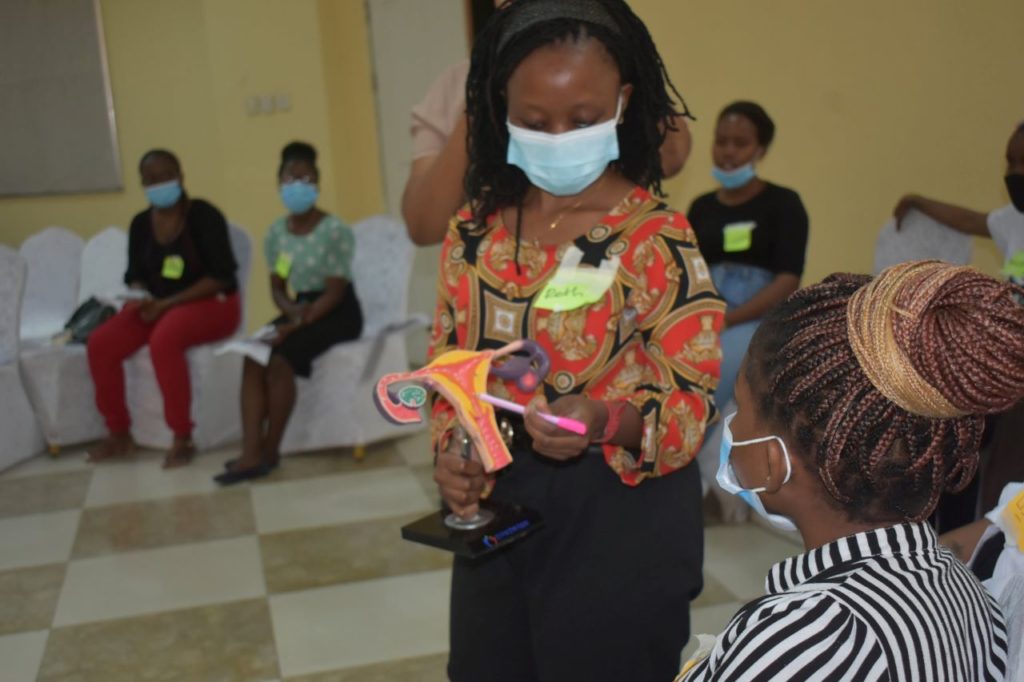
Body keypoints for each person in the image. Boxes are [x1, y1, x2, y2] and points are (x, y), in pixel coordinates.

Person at [428, 2, 725, 680]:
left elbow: (691, 401)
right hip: (503, 512)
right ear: (499, 111)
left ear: (623, 102)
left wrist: (607, 420)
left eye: (583, 119)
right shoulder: (473, 237)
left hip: (620, 517)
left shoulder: (657, 239)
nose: (559, 137)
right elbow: (450, 367)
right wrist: (456, 450)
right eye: (535, 122)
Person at [677, 261, 1017, 681]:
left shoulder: (804, 639)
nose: (730, 424)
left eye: (742, 409)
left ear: (774, 459)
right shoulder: (962, 588)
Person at [400, 0, 694, 246]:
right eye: (534, 122)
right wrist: (484, 102)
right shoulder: (460, 86)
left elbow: (671, 158)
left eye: (581, 121)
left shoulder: (603, 59)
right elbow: (424, 226)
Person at [894, 121, 1024, 518]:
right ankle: (946, 528)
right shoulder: (1012, 220)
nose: (1014, 173)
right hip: (1003, 354)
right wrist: (917, 201)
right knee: (948, 420)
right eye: (1010, 162)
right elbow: (970, 221)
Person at [686, 101, 809, 517]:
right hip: (705, 315)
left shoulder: (783, 204)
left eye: (740, 143)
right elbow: (688, 272)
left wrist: (730, 318)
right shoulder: (702, 207)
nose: (728, 152)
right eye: (721, 142)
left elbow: (787, 280)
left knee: (712, 370)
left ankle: (689, 477)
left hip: (757, 321)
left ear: (761, 149)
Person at [215, 142, 362, 485]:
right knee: (254, 355)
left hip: (337, 310)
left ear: (318, 183)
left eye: (305, 178)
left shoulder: (335, 230)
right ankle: (251, 450)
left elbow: (335, 291)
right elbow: (278, 286)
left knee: (281, 360)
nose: (297, 185)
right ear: (279, 184)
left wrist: (294, 325)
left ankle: (270, 452)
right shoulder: (278, 234)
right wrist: (290, 314)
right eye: (290, 178)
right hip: (299, 306)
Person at [86, 150, 240, 468]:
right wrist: (141, 297)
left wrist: (167, 304)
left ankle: (182, 436)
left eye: (166, 176)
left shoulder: (203, 215)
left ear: (181, 177)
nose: (160, 183)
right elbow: (136, 276)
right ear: (142, 184)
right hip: (156, 307)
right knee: (100, 343)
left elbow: (221, 276)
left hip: (213, 304)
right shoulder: (141, 224)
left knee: (164, 339)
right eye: (151, 179)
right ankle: (118, 433)